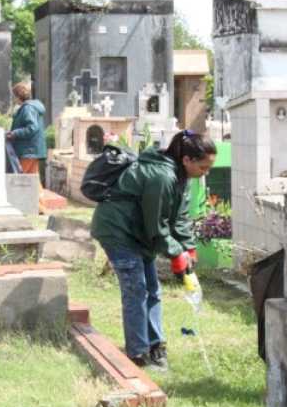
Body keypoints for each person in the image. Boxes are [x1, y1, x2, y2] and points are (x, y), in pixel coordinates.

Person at [90, 130, 217, 370]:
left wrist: (187, 248)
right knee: (136, 291)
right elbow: (157, 227)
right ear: (187, 160)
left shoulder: (181, 177)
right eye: (203, 167)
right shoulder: (161, 177)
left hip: (139, 233)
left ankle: (155, 345)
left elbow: (178, 217)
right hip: (119, 232)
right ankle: (138, 354)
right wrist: (175, 252)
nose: (206, 173)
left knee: (152, 290)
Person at [6, 82, 47, 177]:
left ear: (18, 96)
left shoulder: (28, 108)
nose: (13, 99)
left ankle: (37, 192)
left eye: (14, 96)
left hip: (28, 151)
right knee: (32, 181)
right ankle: (39, 192)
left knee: (21, 180)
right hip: (31, 150)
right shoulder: (31, 107)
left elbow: (32, 127)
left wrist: (14, 133)